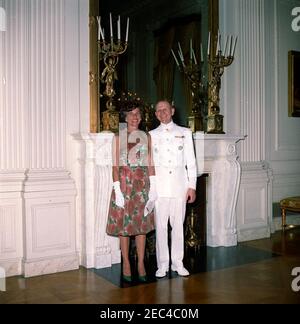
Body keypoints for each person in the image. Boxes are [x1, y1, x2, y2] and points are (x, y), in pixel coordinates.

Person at [106, 101, 157, 283]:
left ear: (141, 117)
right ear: (125, 118)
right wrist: (117, 189)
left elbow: (150, 163)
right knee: (125, 227)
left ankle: (141, 263)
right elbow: (115, 166)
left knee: (142, 226)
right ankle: (126, 262)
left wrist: (154, 186)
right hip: (125, 187)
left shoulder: (147, 137)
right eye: (131, 114)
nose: (135, 117)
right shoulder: (118, 137)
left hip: (142, 186)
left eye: (137, 114)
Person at [149, 100, 197, 277]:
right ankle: (162, 265)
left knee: (177, 226)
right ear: (156, 114)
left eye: (165, 109)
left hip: (179, 187)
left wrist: (192, 186)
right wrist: (152, 188)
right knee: (160, 227)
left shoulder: (185, 133)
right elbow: (150, 165)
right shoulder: (151, 135)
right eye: (158, 110)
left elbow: (191, 162)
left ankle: (178, 263)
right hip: (160, 188)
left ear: (173, 111)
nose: (162, 113)